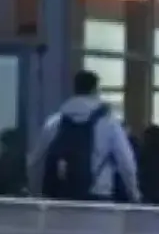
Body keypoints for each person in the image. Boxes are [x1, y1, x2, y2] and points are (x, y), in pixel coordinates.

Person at [28, 70, 141, 203]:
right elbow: (126, 162)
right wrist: (134, 194)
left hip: (62, 198)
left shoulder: (54, 122)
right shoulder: (109, 123)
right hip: (98, 197)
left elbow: (35, 161)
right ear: (95, 90)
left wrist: (35, 192)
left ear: (74, 89)